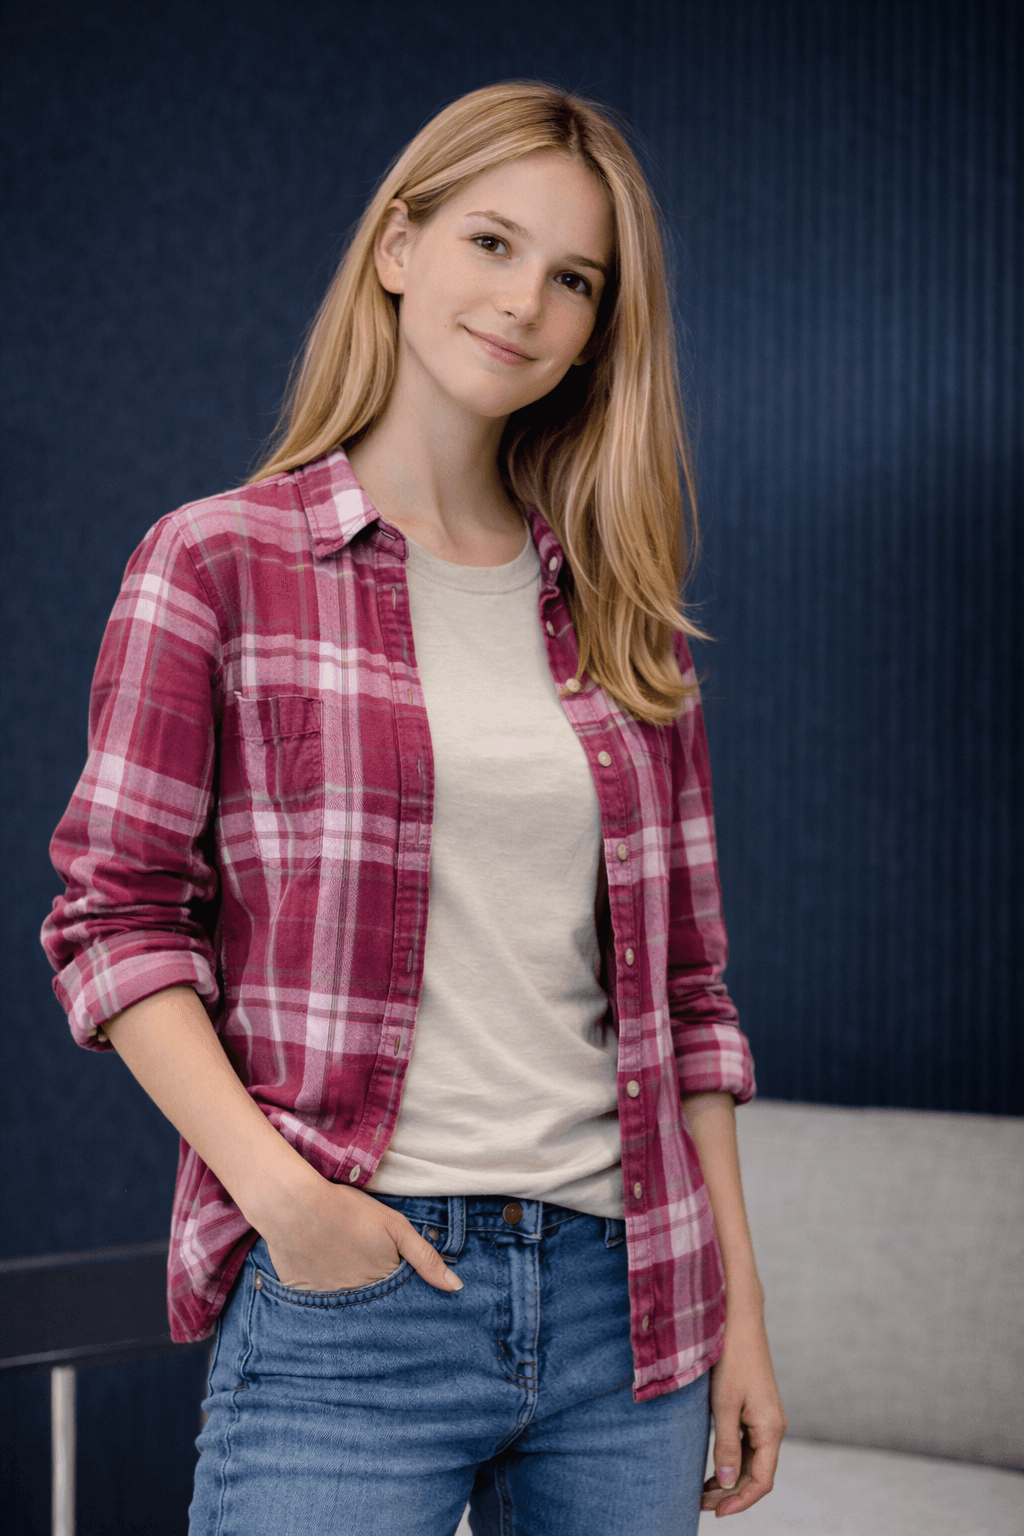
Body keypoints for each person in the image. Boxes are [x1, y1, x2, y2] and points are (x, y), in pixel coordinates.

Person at [42, 81, 786, 1536]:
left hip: (623, 1311)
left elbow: (693, 1003)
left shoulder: (626, 624)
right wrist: (285, 1201)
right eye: (492, 244)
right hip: (356, 1295)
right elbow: (114, 920)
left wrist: (739, 1320)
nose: (525, 305)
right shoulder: (213, 566)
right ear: (398, 246)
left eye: (574, 279)